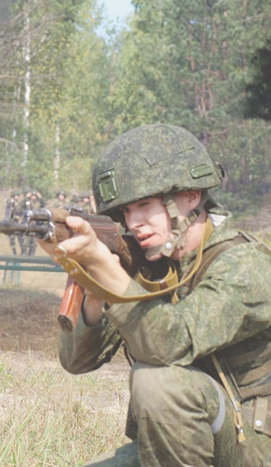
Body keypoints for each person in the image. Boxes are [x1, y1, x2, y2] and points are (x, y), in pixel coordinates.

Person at [38, 124, 271, 465]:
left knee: (156, 380)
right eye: (125, 212)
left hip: (251, 445)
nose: (134, 223)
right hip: (184, 443)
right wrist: (93, 287)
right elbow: (77, 361)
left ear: (190, 196)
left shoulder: (246, 265)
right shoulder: (155, 264)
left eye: (144, 205)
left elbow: (171, 342)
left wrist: (105, 267)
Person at [5, 190, 22, 255]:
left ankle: (23, 251)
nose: (17, 197)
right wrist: (15, 217)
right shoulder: (10, 204)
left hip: (19, 223)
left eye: (18, 196)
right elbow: (8, 214)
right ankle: (14, 251)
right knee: (12, 238)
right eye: (15, 196)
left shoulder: (20, 204)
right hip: (12, 223)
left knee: (20, 237)